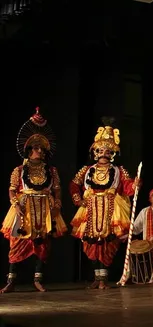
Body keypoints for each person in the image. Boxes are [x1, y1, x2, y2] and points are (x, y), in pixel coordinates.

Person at [0, 108, 67, 293]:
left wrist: (57, 206)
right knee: (17, 243)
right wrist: (15, 205)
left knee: (43, 243)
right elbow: (12, 190)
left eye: (42, 148)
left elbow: (57, 190)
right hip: (24, 207)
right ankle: (11, 281)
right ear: (29, 151)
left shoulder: (51, 171)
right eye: (36, 148)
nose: (40, 151)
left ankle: (38, 279)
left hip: (45, 207)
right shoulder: (19, 170)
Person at [69, 117, 141, 289]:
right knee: (90, 242)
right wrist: (78, 200)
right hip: (90, 208)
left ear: (112, 154)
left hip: (111, 208)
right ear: (95, 152)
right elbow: (73, 185)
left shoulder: (118, 170)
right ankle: (96, 277)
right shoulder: (87, 170)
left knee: (108, 242)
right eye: (101, 150)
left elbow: (127, 187)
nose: (104, 153)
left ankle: (104, 279)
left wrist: (135, 184)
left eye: (108, 151)